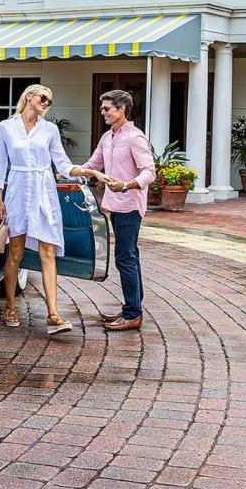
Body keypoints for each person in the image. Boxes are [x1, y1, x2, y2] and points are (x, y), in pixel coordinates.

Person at [0, 84, 103, 334]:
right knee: (15, 252)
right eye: (43, 98)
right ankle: (9, 306)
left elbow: (62, 164)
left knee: (48, 251)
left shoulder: (49, 129)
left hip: (44, 191)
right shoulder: (5, 127)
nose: (46, 103)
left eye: (50, 101)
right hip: (17, 190)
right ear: (28, 96)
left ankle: (53, 314)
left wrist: (90, 171)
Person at [83, 89, 155, 331]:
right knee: (129, 256)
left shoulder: (135, 137)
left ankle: (133, 313)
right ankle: (131, 308)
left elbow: (149, 172)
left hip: (129, 206)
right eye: (102, 108)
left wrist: (126, 184)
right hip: (114, 205)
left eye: (107, 108)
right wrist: (66, 172)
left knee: (125, 258)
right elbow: (93, 165)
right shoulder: (107, 137)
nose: (103, 112)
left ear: (122, 109)